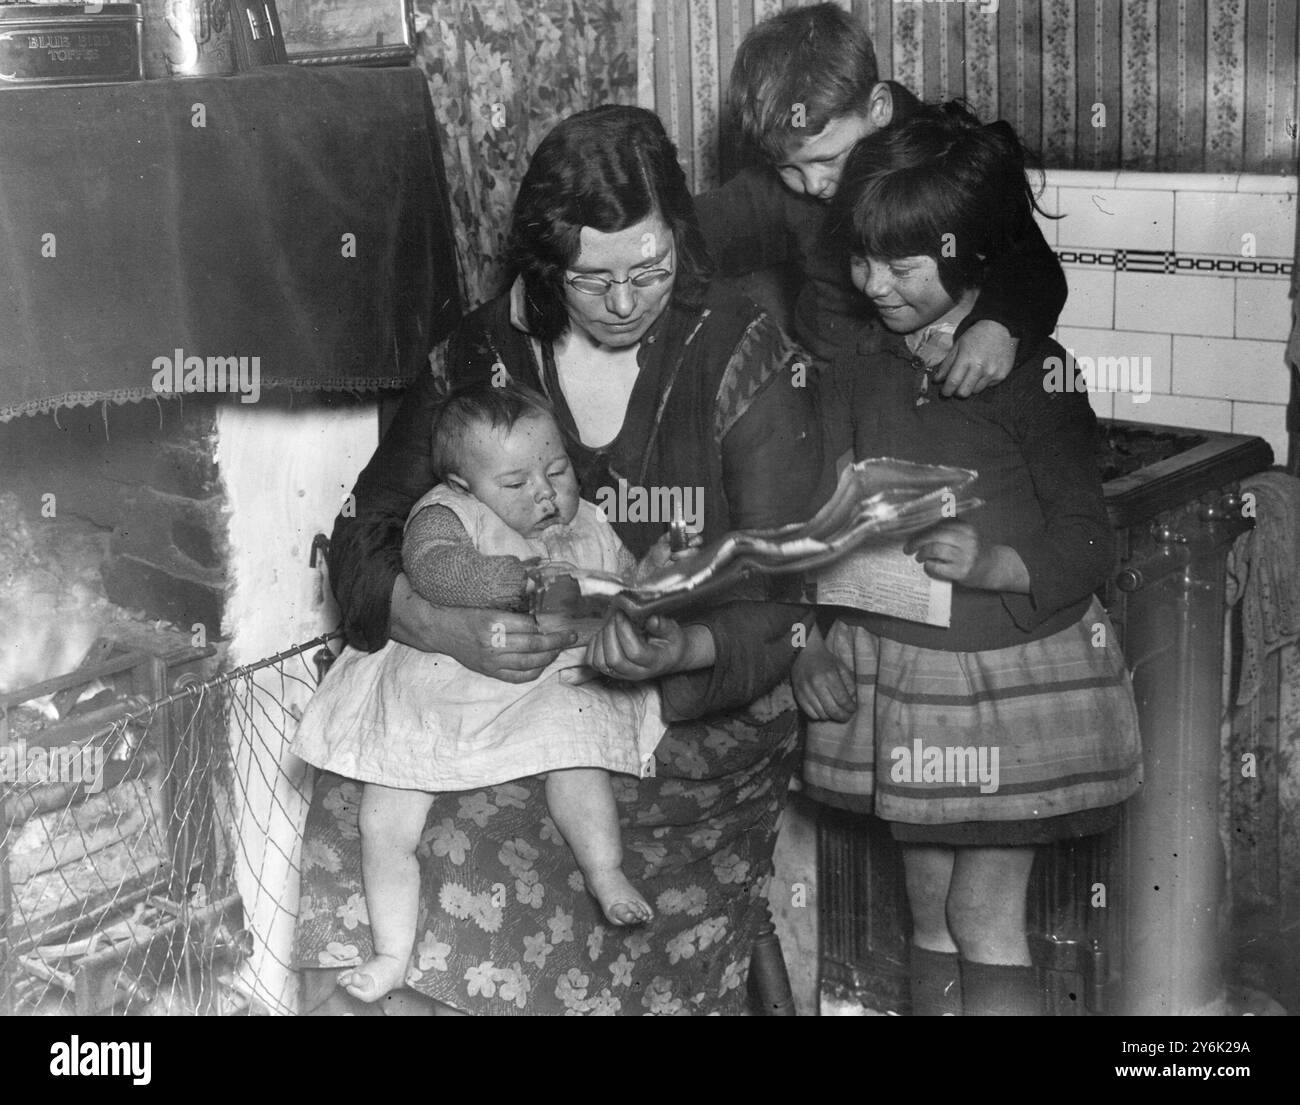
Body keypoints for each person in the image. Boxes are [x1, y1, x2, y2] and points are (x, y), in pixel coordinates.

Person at [293, 104, 824, 1015]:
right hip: (480, 692)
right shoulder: (481, 357)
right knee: (353, 812)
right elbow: (362, 534)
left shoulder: (740, 353)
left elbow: (785, 594)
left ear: (681, 246)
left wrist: (678, 653)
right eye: (592, 280)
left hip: (688, 707)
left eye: (651, 270)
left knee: (500, 845)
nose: (624, 304)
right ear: (547, 267)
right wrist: (441, 626)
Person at [793, 102, 1142, 1016]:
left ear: (969, 255)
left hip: (1008, 683)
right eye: (860, 259)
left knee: (983, 909)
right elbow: (829, 526)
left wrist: (994, 564)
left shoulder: (1034, 370)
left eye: (901, 265)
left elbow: (1091, 540)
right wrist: (814, 638)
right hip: (907, 680)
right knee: (929, 909)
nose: (872, 283)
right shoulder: (860, 370)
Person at [291, 383, 685, 1003]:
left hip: (539, 680)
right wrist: (519, 581)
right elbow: (435, 569)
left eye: (557, 470)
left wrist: (655, 573)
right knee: (386, 815)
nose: (546, 493)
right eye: (516, 483)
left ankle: (606, 874)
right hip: (439, 678)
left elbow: (623, 585)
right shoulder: (446, 513)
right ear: (463, 484)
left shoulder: (587, 521)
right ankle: (393, 950)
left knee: (576, 750)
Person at [695, 3, 1067, 398]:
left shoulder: (944, 159)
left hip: (921, 376)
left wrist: (1000, 326)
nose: (813, 185)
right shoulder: (788, 181)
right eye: (789, 167)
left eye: (827, 159)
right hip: (827, 369)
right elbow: (702, 227)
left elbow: (1032, 265)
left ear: (879, 109)